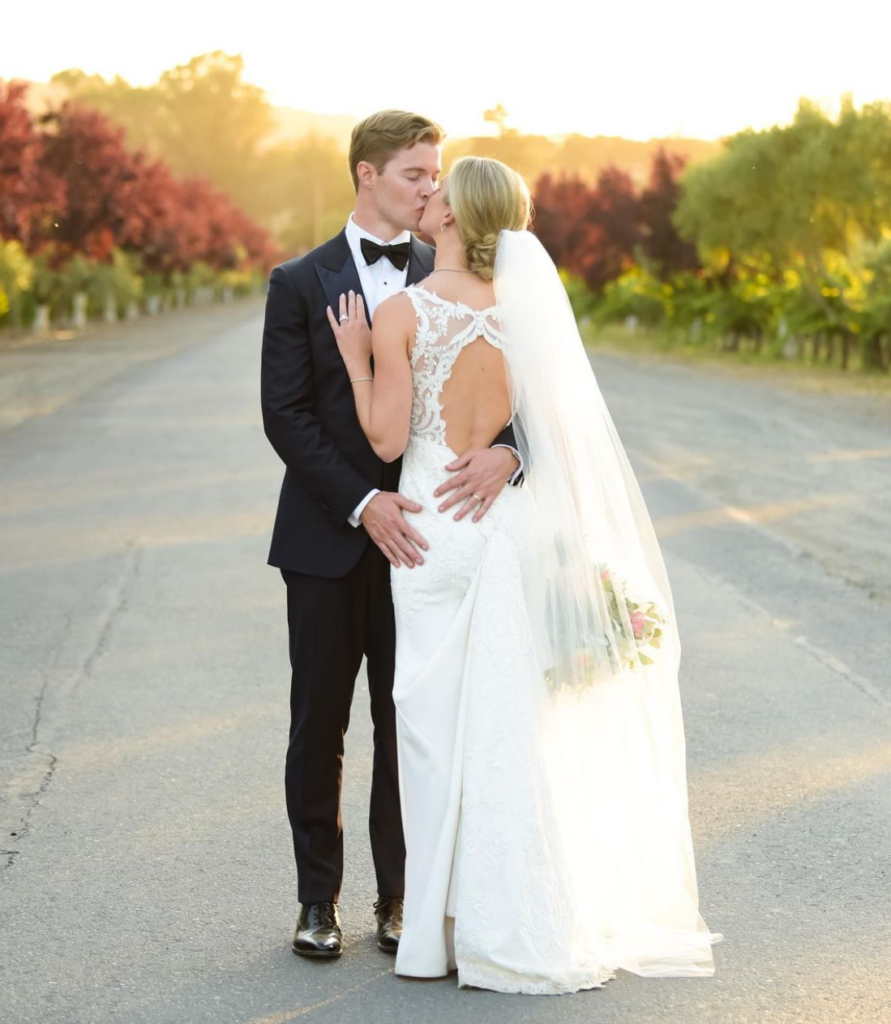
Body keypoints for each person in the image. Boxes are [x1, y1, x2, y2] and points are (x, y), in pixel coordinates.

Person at [329, 155, 722, 993]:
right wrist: (507, 452)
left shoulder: (401, 313)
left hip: (433, 535)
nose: (426, 198)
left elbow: (389, 444)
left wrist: (359, 359)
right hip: (499, 525)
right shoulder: (522, 310)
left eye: (438, 194)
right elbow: (554, 427)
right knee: (511, 727)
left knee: (432, 737)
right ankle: (512, 914)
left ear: (449, 221)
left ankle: (435, 928)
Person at [260, 113, 523, 959]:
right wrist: (360, 505)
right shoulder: (299, 280)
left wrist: (509, 454)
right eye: (414, 174)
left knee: (411, 720)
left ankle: (405, 901)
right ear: (367, 174)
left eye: (435, 175)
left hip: (437, 535)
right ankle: (316, 903)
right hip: (332, 539)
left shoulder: (452, 273)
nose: (428, 188)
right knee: (319, 727)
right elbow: (286, 416)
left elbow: (519, 401)